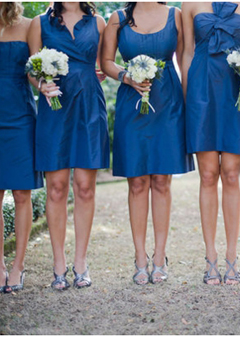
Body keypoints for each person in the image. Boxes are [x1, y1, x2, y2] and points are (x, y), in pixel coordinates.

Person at [101, 2, 194, 285]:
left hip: (169, 105)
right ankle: (140, 257)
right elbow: (105, 62)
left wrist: (191, 104)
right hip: (132, 103)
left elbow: (186, 57)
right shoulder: (116, 18)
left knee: (162, 181)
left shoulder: (176, 16)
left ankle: (159, 256)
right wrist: (126, 77)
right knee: (137, 182)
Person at [28, 2, 109, 290]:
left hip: (89, 106)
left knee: (85, 188)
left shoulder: (98, 22)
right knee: (57, 187)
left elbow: (102, 65)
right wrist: (41, 84)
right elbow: (31, 69)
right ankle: (59, 264)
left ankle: (81, 262)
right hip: (55, 107)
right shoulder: (39, 23)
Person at [182, 1, 240, 285]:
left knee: (230, 173)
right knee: (207, 175)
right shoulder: (190, 3)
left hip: (234, 88)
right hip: (201, 90)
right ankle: (210, 258)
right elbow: (187, 53)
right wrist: (187, 100)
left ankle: (232, 257)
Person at [0, 1, 44, 295]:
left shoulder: (30, 26)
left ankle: (18, 266)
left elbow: (35, 71)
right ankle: (0, 268)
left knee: (22, 192)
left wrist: (49, 86)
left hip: (20, 113)